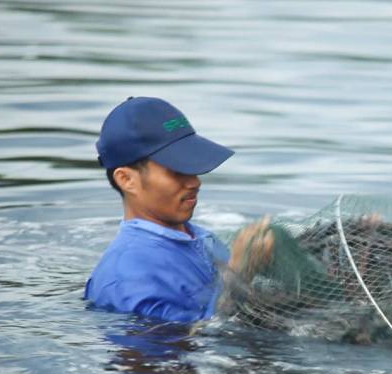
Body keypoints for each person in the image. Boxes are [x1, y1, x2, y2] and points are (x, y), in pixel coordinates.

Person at [85, 97, 274, 323]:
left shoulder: (202, 239)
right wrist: (239, 275)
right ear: (127, 179)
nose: (195, 182)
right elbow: (191, 344)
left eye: (192, 168)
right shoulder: (127, 278)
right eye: (177, 170)